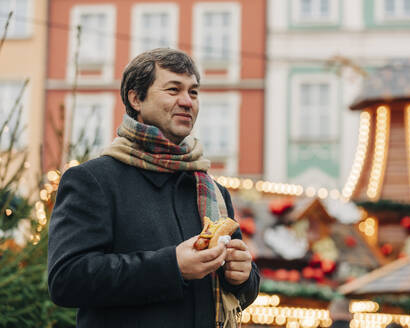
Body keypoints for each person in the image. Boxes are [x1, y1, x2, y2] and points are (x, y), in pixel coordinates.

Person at [47, 48, 260, 328]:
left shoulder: (212, 190)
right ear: (136, 98)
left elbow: (237, 292)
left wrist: (244, 277)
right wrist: (173, 266)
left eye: (193, 92)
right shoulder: (93, 180)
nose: (187, 101)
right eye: (173, 90)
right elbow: (67, 279)